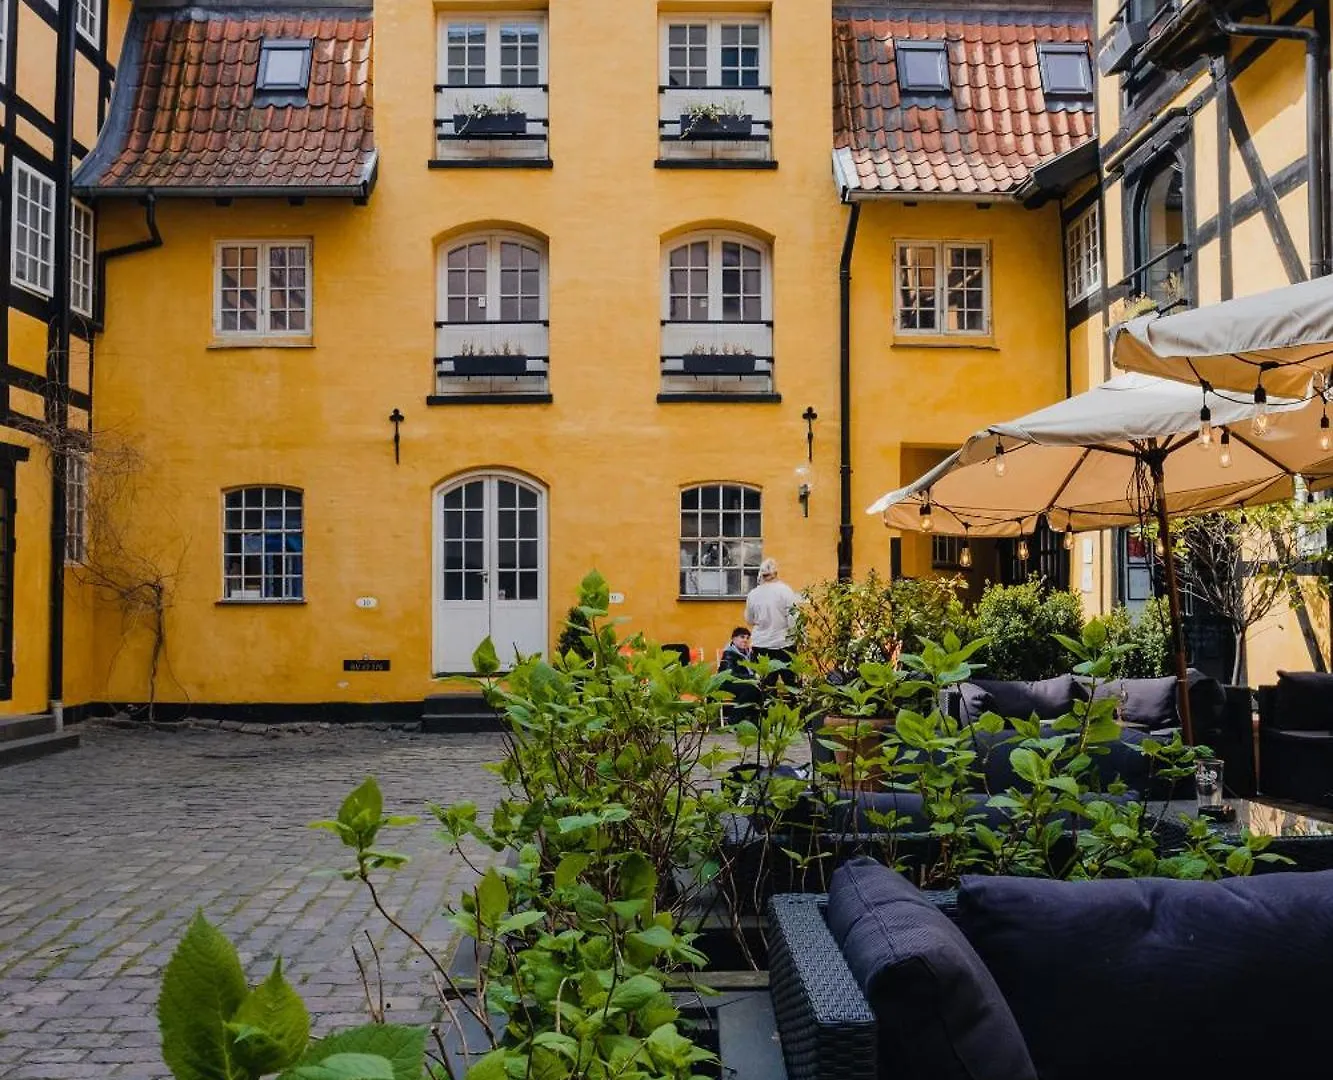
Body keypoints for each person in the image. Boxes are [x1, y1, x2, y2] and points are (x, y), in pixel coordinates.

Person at [745, 558, 799, 673]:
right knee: (791, 683)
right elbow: (793, 619)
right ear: (776, 573)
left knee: (765, 685)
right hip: (783, 644)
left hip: (760, 644)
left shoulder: (753, 594)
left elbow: (749, 620)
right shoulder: (786, 591)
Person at [717, 626, 760, 724]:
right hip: (728, 683)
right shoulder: (729, 653)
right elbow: (730, 675)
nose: (745, 640)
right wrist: (752, 678)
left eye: (747, 638)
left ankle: (756, 721)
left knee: (760, 689)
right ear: (733, 639)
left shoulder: (750, 653)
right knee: (751, 689)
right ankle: (734, 719)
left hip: (746, 683)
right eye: (742, 637)